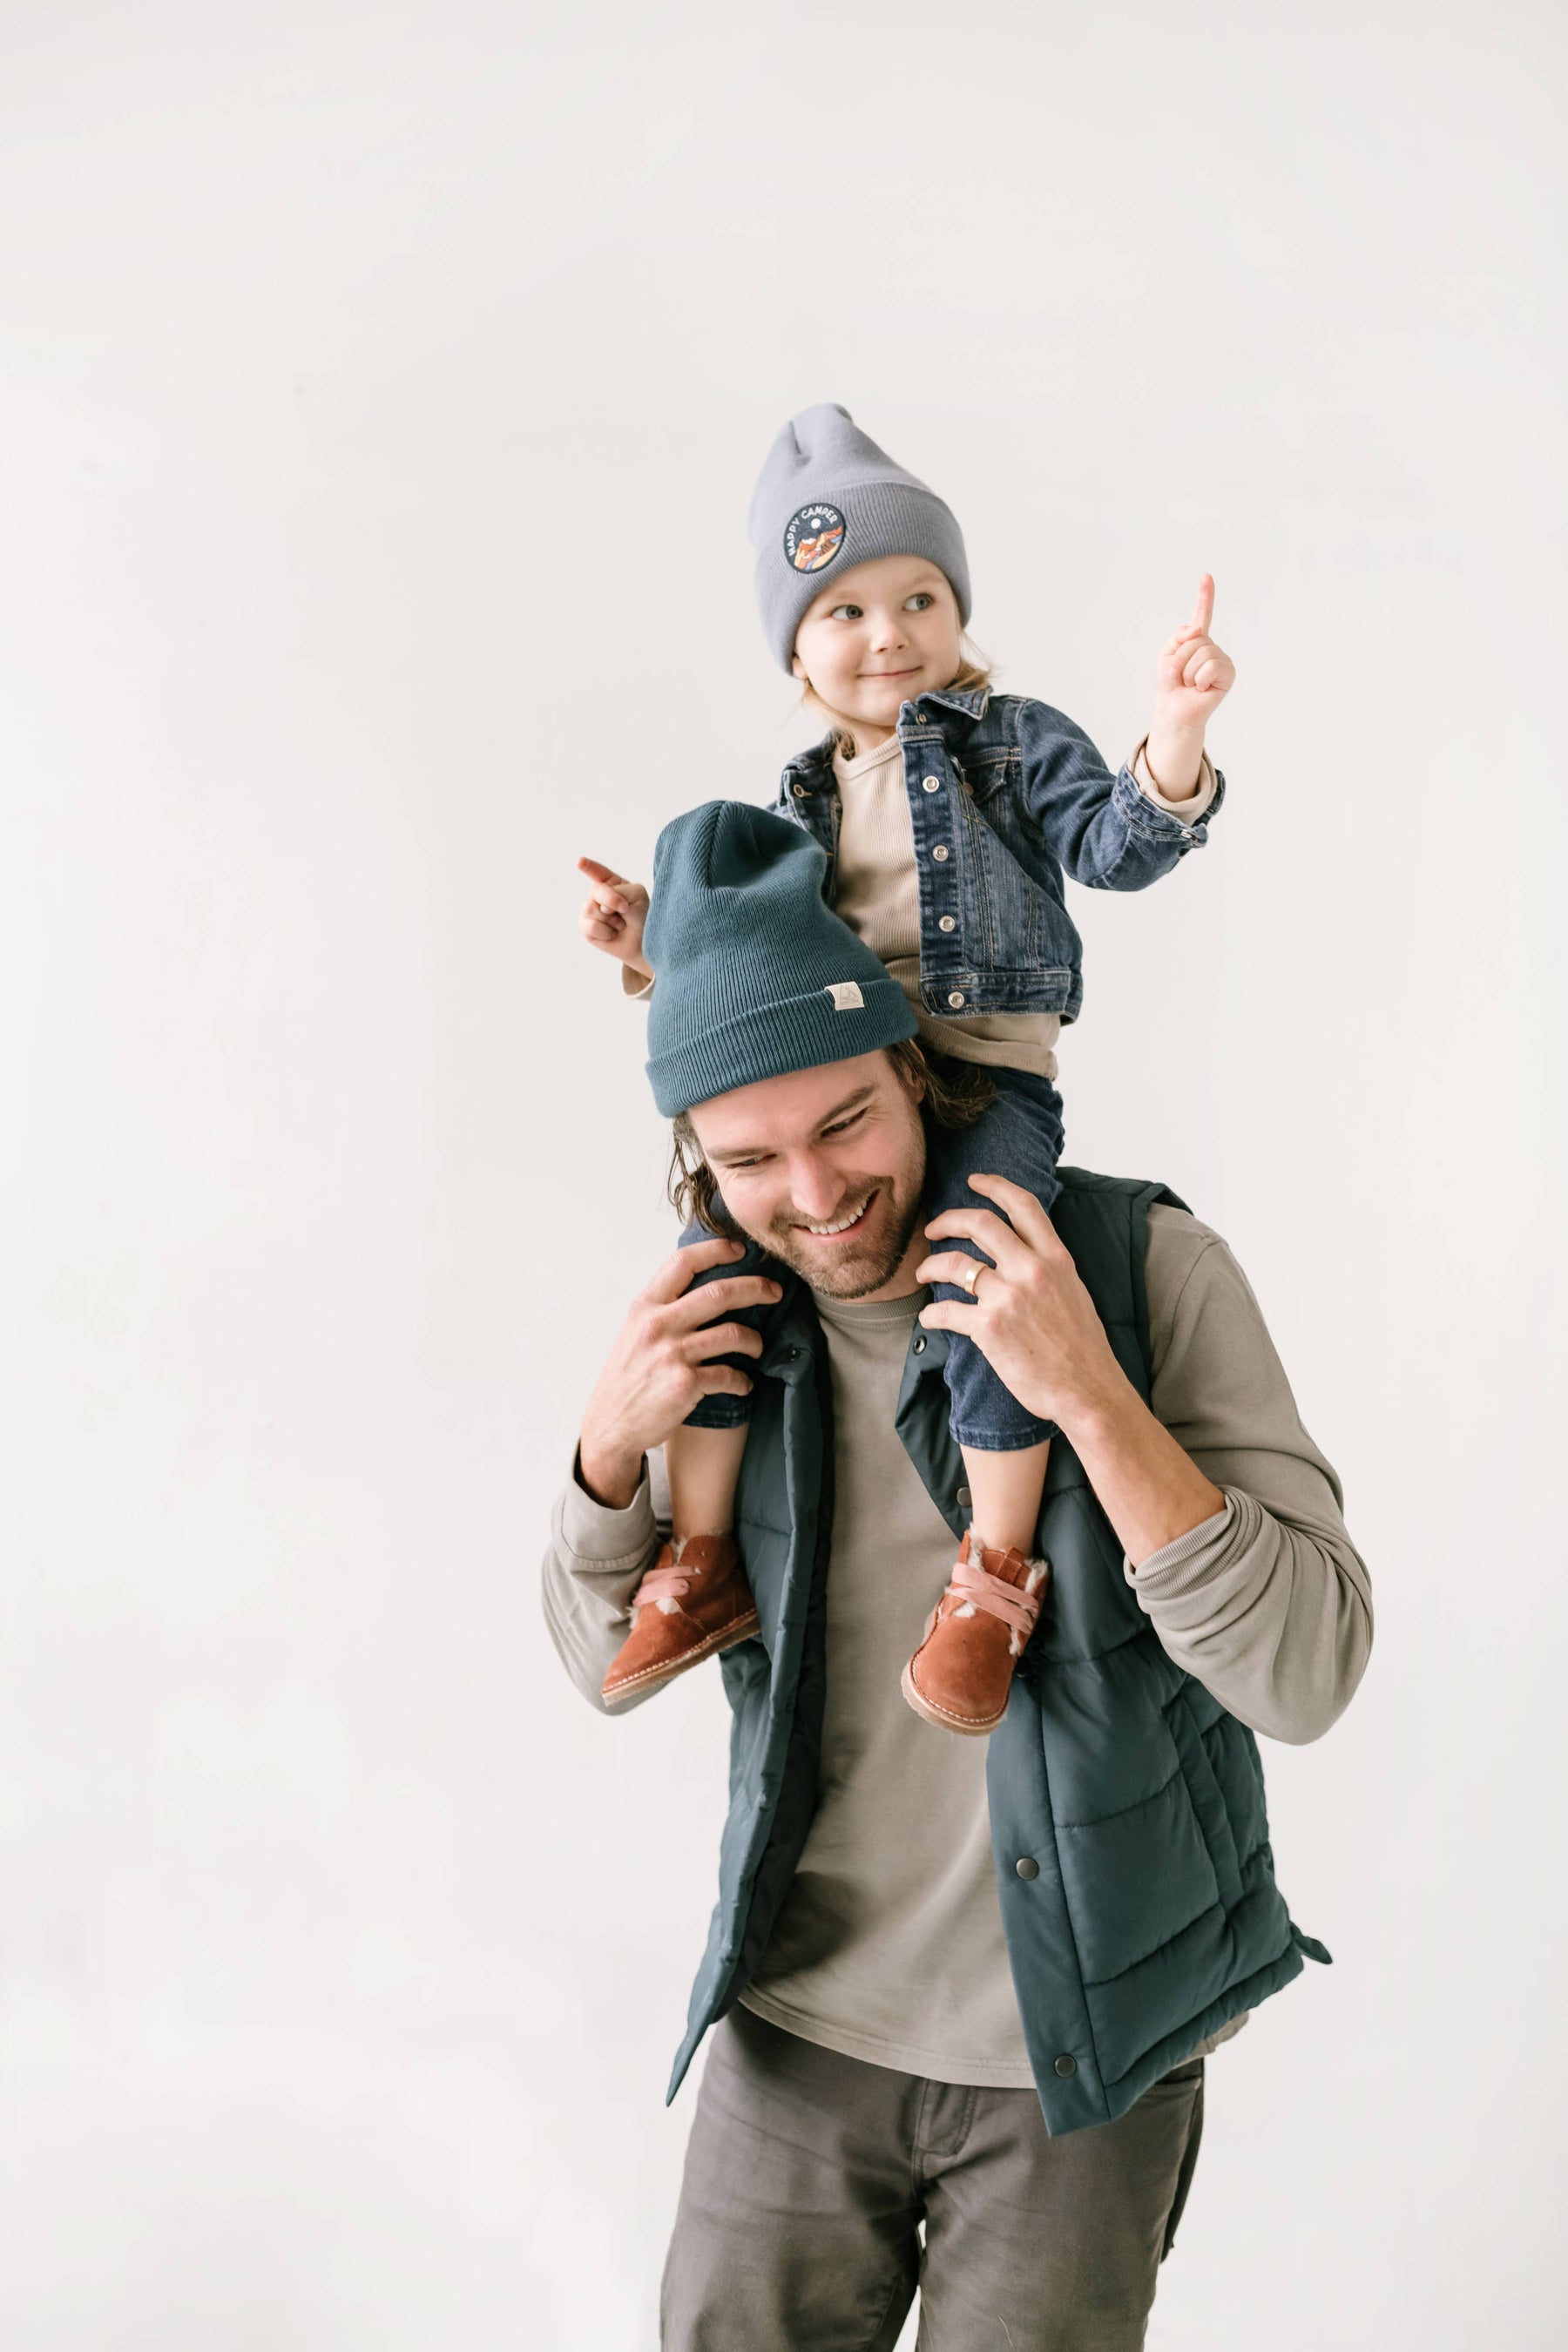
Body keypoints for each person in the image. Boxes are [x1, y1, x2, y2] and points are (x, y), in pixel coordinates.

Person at [541, 810, 1372, 2349]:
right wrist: (602, 1455)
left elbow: (1311, 1672)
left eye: (847, 1120)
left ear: (916, 1067)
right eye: (749, 1160)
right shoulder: (724, 1329)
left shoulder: (1142, 1269)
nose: (813, 1191)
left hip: (1083, 2060)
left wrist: (1091, 1398)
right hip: (792, 2041)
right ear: (696, 1158)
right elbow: (602, 1663)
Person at [578, 402, 1235, 1732]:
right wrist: (653, 949)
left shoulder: (1006, 743)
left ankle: (994, 1569)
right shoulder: (797, 801)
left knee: (982, 1276)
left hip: (982, 1073)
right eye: (846, 612)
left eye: (919, 599)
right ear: (795, 649)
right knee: (716, 1272)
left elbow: (1113, 848)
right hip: (847, 1081)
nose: (889, 634)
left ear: (958, 612)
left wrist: (1173, 740)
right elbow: (755, 957)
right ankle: (700, 1553)